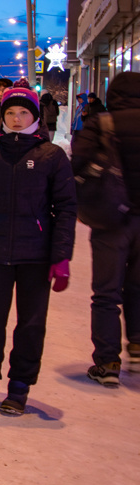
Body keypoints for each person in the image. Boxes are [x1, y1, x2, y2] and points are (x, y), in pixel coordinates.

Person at [0, 85, 77, 414]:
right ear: (2, 117)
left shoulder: (52, 157)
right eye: (11, 113)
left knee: (31, 323)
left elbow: (66, 209)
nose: (17, 118)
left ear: (36, 117)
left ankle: (20, 386)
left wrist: (61, 256)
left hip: (36, 256)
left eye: (24, 113)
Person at [72, 71, 140, 387]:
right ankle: (137, 346)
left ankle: (108, 362)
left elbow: (78, 162)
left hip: (111, 219)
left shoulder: (102, 124)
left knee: (106, 292)